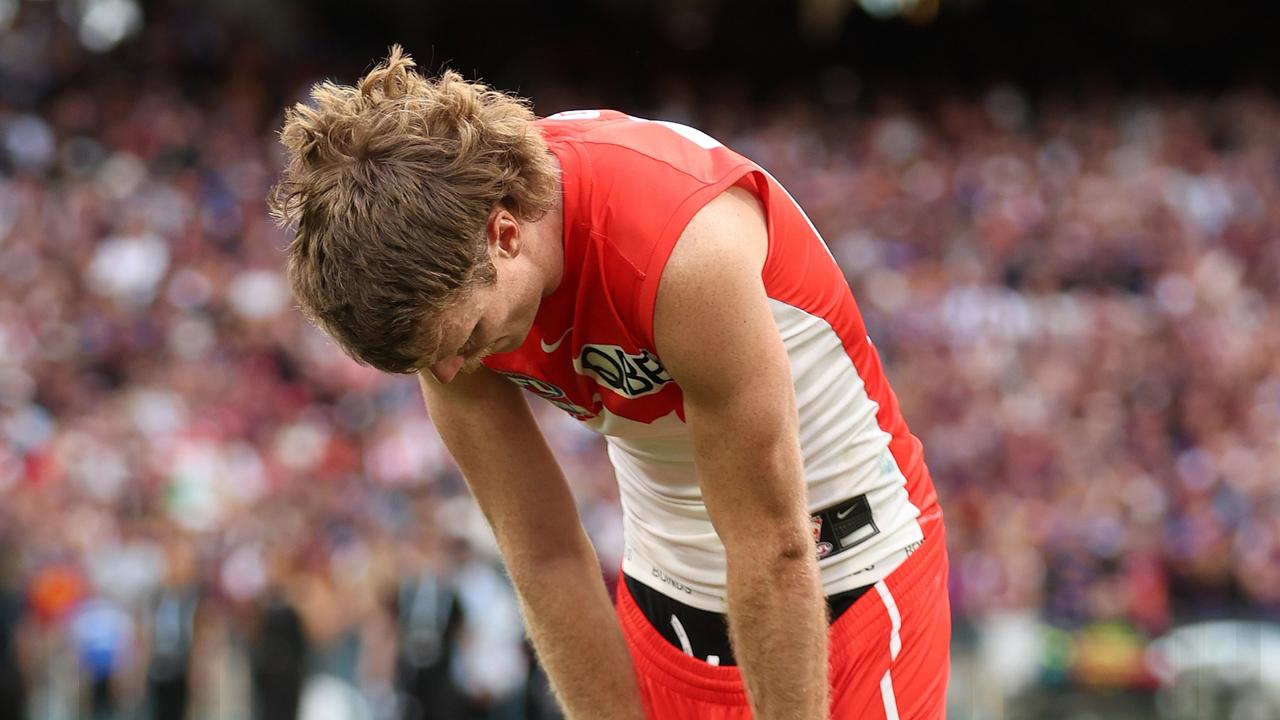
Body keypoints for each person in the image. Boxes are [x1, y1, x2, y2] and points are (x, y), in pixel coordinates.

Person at [269, 46, 950, 719]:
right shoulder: (439, 306)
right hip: (667, 606)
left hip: (845, 578)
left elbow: (772, 546)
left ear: (504, 235)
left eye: (463, 341)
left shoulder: (681, 250)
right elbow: (543, 554)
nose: (451, 373)